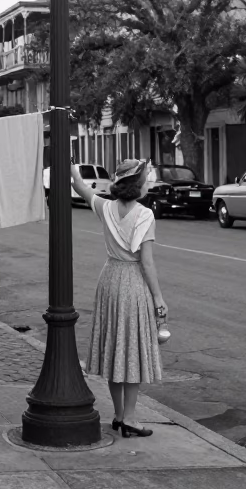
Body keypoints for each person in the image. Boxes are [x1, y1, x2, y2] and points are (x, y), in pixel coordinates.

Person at [71, 157, 167, 438]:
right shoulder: (145, 215)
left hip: (110, 279)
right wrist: (158, 297)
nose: (148, 182)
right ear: (136, 184)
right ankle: (131, 418)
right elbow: (147, 263)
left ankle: (117, 414)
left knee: (116, 348)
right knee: (133, 350)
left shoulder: (105, 206)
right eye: (146, 178)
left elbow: (79, 186)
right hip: (133, 282)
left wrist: (71, 166)